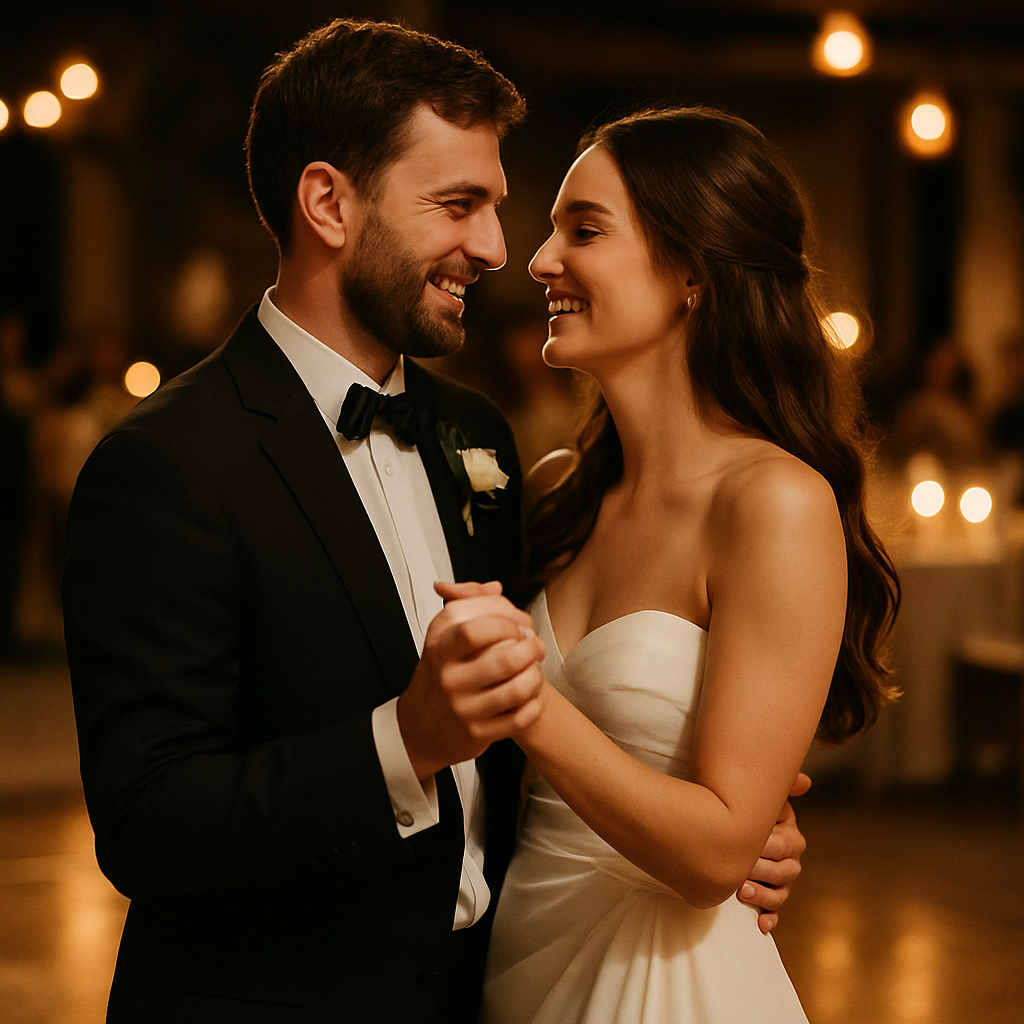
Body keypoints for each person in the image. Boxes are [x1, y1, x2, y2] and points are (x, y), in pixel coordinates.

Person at [62, 21, 807, 1024]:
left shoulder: (478, 439)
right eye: (460, 205)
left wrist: (733, 817)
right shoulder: (168, 462)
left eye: (500, 209)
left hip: (492, 991)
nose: (499, 250)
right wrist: (401, 741)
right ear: (328, 203)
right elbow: (149, 824)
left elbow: (559, 734)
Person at [479, 106, 900, 1024]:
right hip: (516, 962)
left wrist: (525, 703)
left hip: (667, 983)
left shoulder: (774, 504)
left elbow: (716, 855)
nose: (540, 261)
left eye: (583, 230)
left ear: (694, 274)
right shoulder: (558, 491)